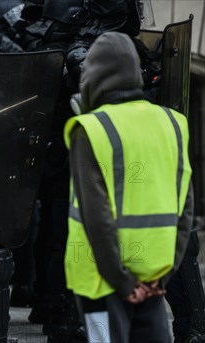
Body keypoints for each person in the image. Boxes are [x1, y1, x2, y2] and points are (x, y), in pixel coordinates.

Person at [64, 31, 193, 343]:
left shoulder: (90, 128)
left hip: (100, 282)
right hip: (153, 279)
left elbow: (97, 217)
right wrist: (164, 274)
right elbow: (185, 209)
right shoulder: (173, 123)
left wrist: (123, 283)